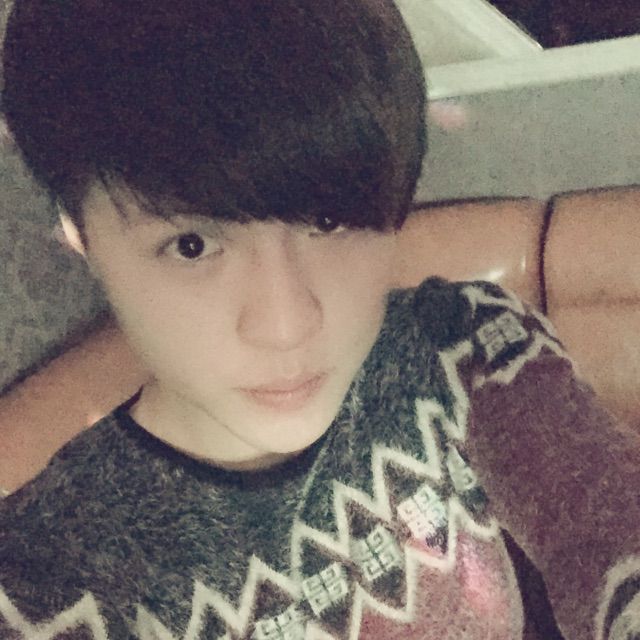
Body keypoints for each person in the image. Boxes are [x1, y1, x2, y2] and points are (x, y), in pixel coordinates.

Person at [0, 0, 638, 638]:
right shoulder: (48, 580)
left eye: (328, 219)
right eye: (191, 244)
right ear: (79, 234)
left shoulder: (467, 346)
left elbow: (604, 518)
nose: (287, 326)